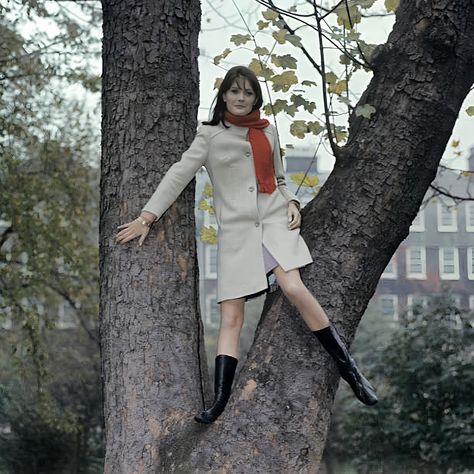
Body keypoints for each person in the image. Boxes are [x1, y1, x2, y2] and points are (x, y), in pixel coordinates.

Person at [115, 65, 377, 424]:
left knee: (293, 286)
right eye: (235, 91)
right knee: (231, 317)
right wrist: (147, 216)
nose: (241, 98)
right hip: (237, 233)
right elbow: (178, 173)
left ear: (256, 97)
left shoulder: (267, 131)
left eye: (248, 93)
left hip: (273, 220)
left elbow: (280, 178)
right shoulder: (208, 135)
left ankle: (350, 371)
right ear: (224, 95)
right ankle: (220, 400)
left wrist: (292, 202)